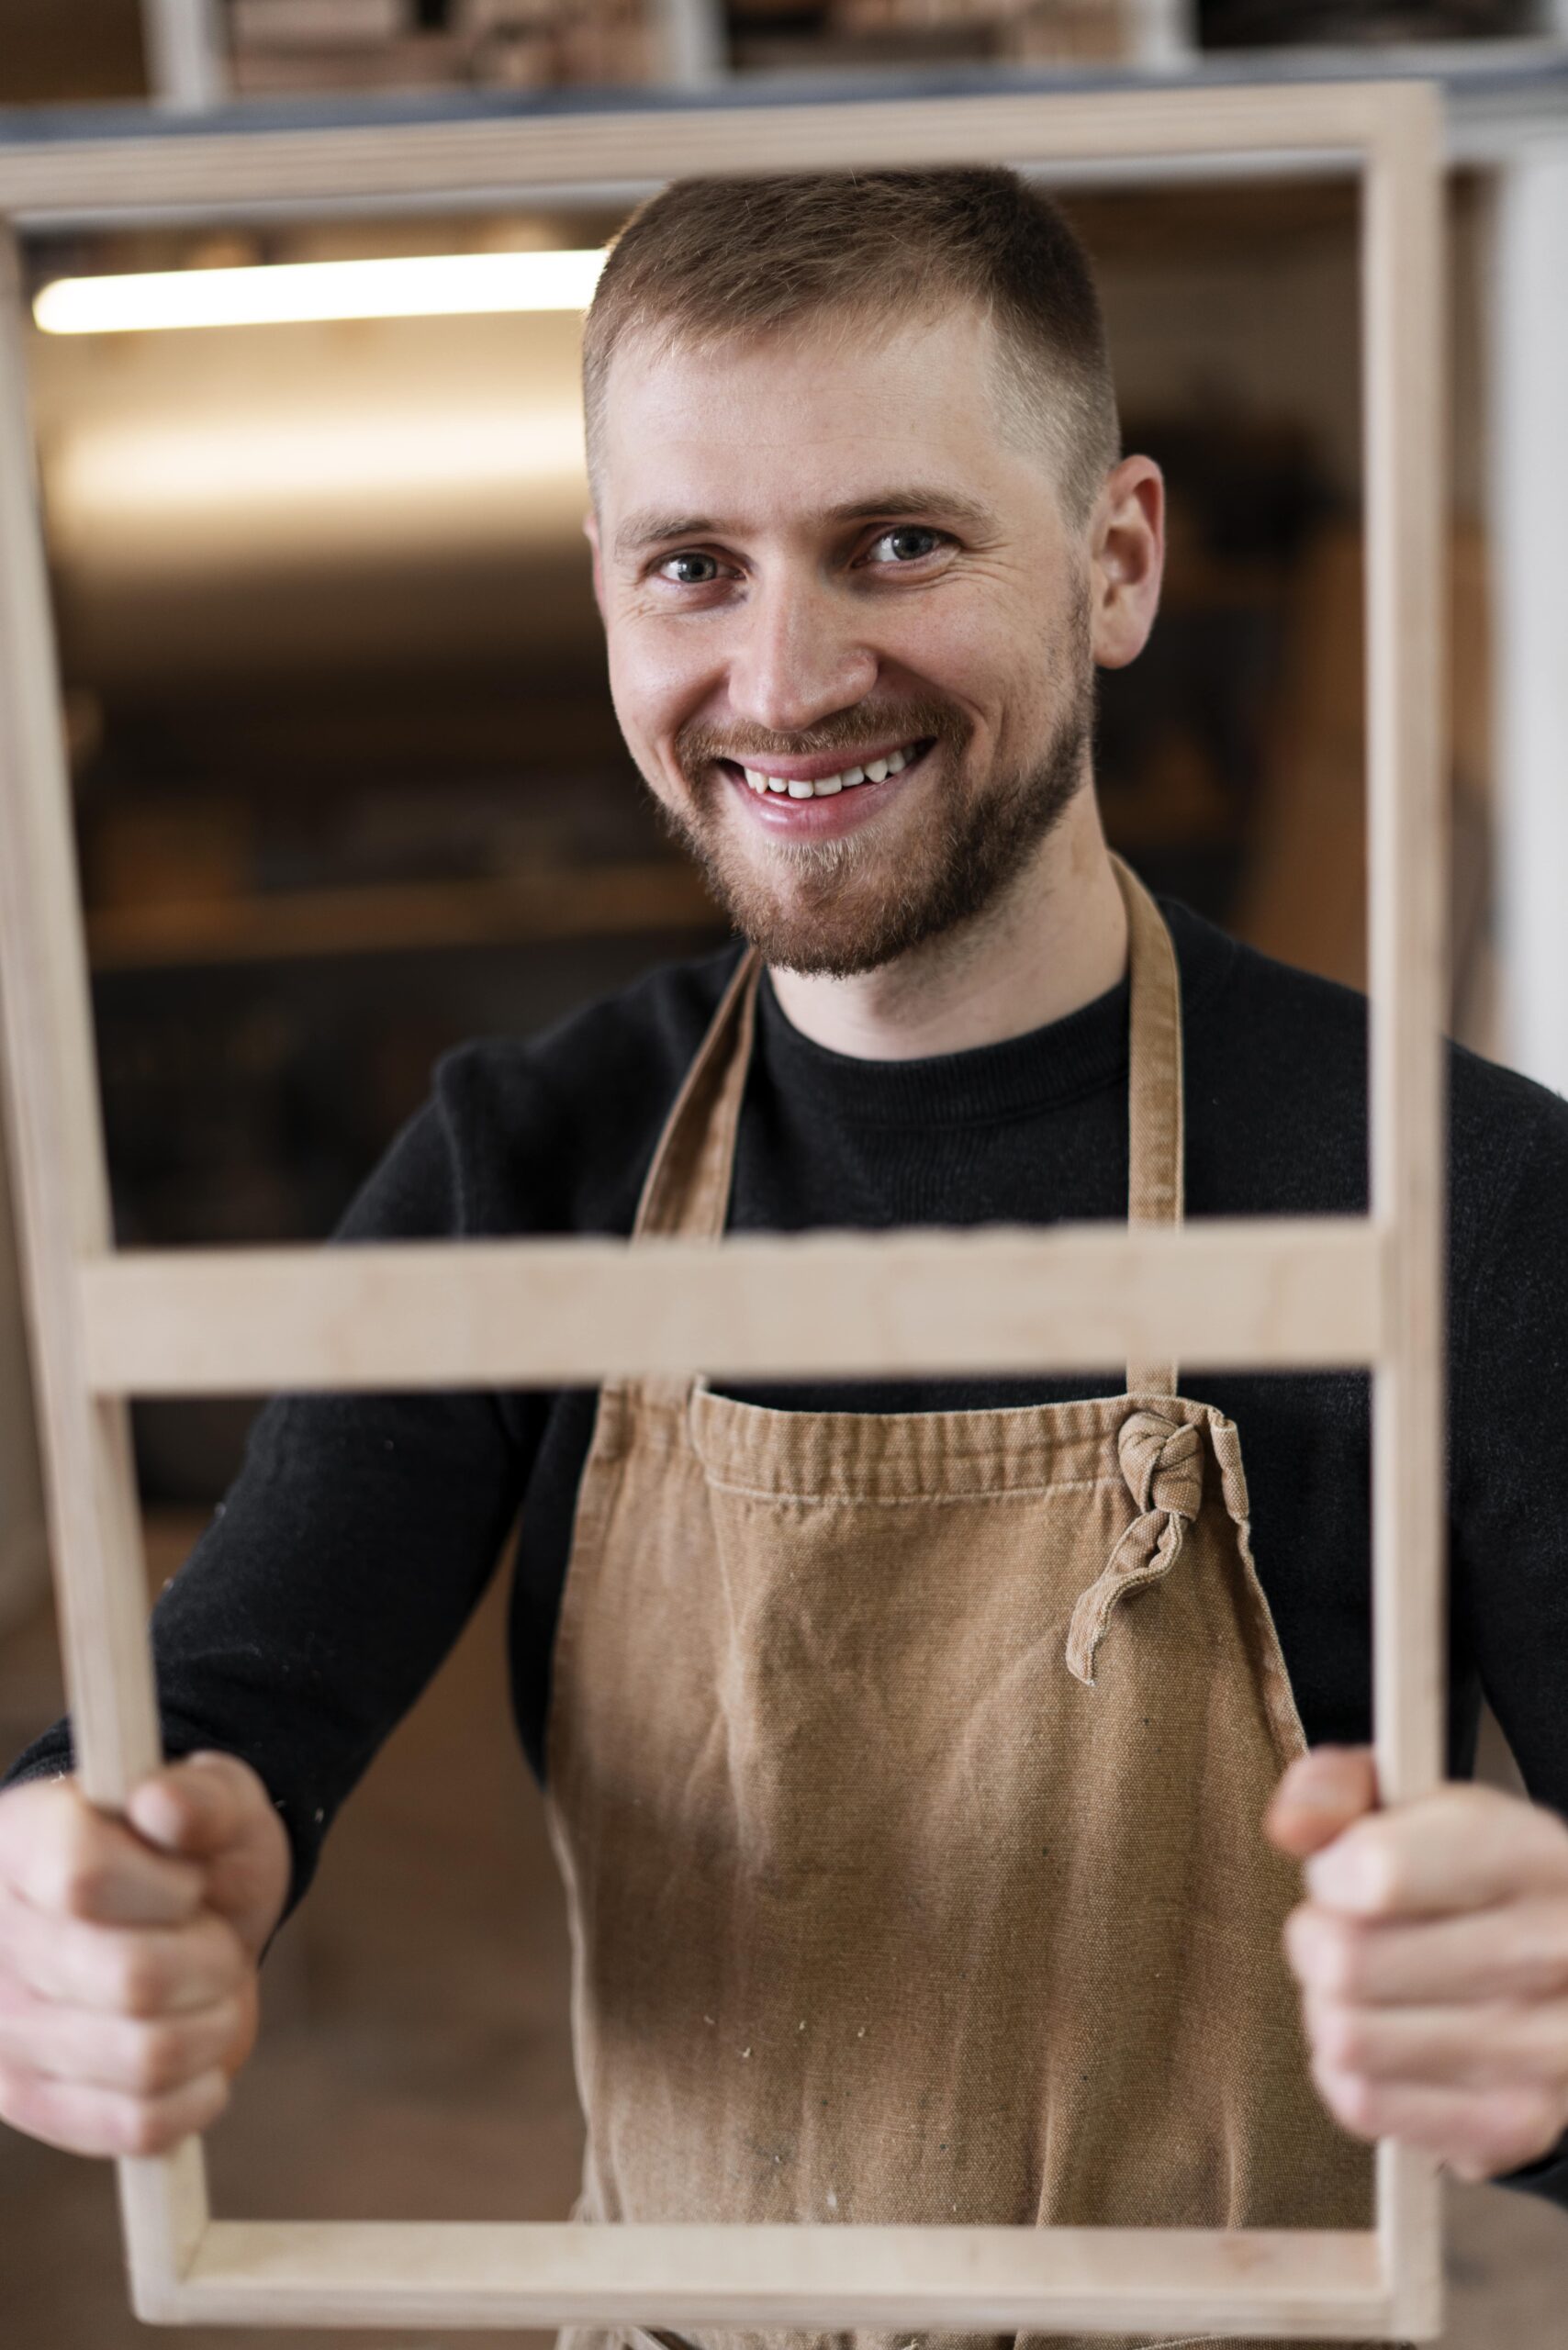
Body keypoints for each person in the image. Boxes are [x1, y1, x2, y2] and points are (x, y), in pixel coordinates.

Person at [3, 168, 1567, 2339]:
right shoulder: (525, 1160)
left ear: (1113, 563)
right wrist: (101, 1873)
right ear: (608, 601)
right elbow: (230, 1684)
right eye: (693, 567)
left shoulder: (1451, 1192)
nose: (786, 675)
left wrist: (1541, 2032)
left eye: (896, 543)